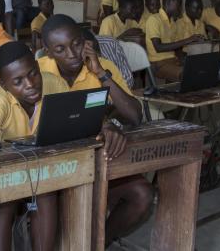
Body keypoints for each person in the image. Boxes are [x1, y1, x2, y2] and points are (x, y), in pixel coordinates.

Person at [38, 15, 153, 245]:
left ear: (86, 41)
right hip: (51, 168)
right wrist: (103, 123)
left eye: (76, 44)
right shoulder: (37, 73)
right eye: (60, 49)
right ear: (48, 52)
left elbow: (134, 116)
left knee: (143, 195)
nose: (71, 53)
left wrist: (100, 73)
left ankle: (98, 244)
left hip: (96, 162)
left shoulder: (102, 67)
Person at [0, 41, 65, 251]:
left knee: (46, 193)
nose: (30, 84)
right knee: (4, 201)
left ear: (38, 66)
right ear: (3, 85)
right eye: (18, 81)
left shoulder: (54, 83)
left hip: (44, 171)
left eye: (33, 73)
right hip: (5, 174)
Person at [146, 0, 204, 82]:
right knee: (186, 74)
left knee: (200, 69)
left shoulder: (173, 22)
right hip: (157, 63)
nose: (180, 8)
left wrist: (184, 59)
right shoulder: (154, 19)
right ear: (169, 3)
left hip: (172, 60)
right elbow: (158, 47)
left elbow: (176, 47)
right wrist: (188, 40)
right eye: (179, 4)